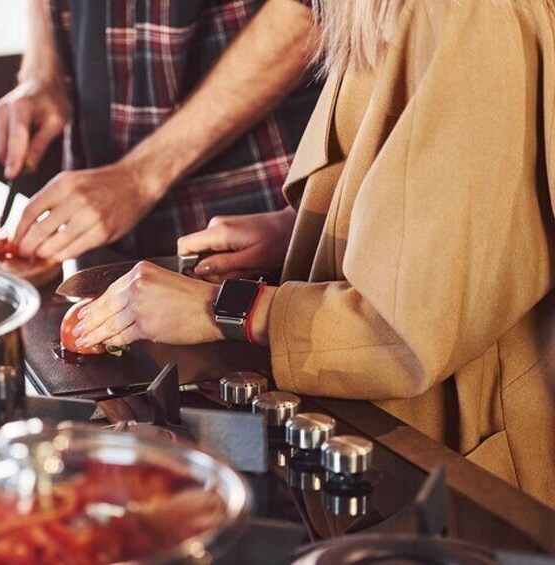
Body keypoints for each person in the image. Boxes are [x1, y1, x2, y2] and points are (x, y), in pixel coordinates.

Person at [74, 0, 555, 509]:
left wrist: (220, 309)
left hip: (456, 474)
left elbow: (405, 330)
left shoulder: (473, 14)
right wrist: (303, 230)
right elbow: (462, 205)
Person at [0, 0, 321, 262]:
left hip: (249, 216)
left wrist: (137, 177)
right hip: (97, 221)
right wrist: (42, 73)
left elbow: (318, 10)